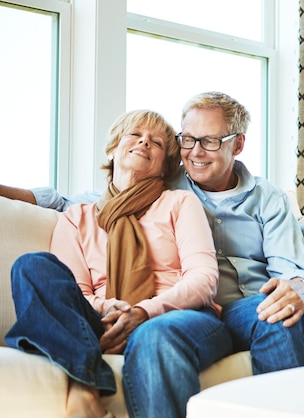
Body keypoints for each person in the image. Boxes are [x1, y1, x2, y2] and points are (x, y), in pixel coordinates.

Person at [1, 91, 304, 376]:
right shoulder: (167, 186)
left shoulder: (268, 198)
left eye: (209, 141)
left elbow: (292, 268)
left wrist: (297, 289)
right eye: (187, 140)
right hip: (205, 311)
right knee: (269, 317)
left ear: (237, 144)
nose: (195, 152)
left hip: (257, 302)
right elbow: (79, 199)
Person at [4, 110, 232, 418]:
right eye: (135, 135)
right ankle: (85, 389)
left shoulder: (179, 202)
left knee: (156, 334)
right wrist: (113, 309)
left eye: (157, 142)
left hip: (177, 315)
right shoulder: (78, 216)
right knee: (31, 266)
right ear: (113, 149)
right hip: (103, 318)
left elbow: (204, 279)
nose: (144, 142)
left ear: (165, 165)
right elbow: (78, 291)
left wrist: (143, 311)